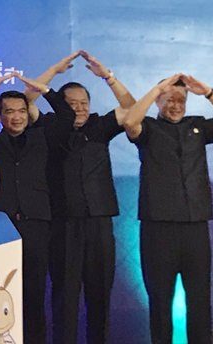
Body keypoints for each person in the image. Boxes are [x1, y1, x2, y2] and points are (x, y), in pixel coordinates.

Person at [123, 73, 213, 344]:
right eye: (169, 100)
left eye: (180, 100)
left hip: (195, 226)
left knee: (200, 298)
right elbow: (129, 122)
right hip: (158, 229)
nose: (176, 106)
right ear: (158, 102)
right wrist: (157, 89)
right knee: (160, 300)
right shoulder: (148, 128)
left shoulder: (197, 126)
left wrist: (208, 91)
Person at [33, 51, 135, 344]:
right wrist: (54, 70)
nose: (79, 109)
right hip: (63, 224)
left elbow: (131, 108)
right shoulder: (50, 127)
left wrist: (108, 77)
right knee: (64, 297)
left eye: (83, 104)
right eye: (72, 104)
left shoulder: (100, 126)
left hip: (99, 222)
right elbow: (27, 101)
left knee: (99, 295)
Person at [0, 71, 75, 344]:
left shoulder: (43, 137)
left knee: (34, 294)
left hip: (36, 224)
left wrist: (44, 89)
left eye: (21, 111)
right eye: (9, 112)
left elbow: (67, 118)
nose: (17, 117)